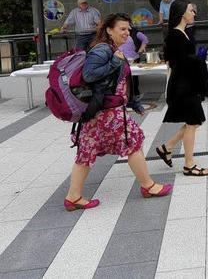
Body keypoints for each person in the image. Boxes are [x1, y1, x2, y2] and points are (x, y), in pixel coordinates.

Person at [64, 13, 172, 211]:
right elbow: (89, 74)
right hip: (107, 112)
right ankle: (148, 186)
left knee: (87, 151)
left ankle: (73, 197)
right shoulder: (102, 50)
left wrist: (134, 103)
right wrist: (115, 60)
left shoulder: (112, 48)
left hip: (103, 111)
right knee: (132, 141)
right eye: (122, 29)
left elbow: (120, 82)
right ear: (108, 30)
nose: (127, 32)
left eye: (128, 29)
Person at [155, 0, 208, 177]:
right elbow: (180, 62)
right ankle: (189, 165)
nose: (194, 12)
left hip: (187, 84)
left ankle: (167, 148)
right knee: (193, 122)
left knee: (193, 122)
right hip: (182, 85)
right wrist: (198, 59)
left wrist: (196, 59)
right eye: (190, 10)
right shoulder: (175, 35)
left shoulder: (183, 33)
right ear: (181, 13)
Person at [119, 25, 151, 107]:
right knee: (125, 78)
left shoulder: (135, 32)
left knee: (133, 78)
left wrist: (141, 49)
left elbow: (145, 39)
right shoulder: (117, 34)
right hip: (122, 58)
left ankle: (134, 95)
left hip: (133, 58)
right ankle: (127, 97)